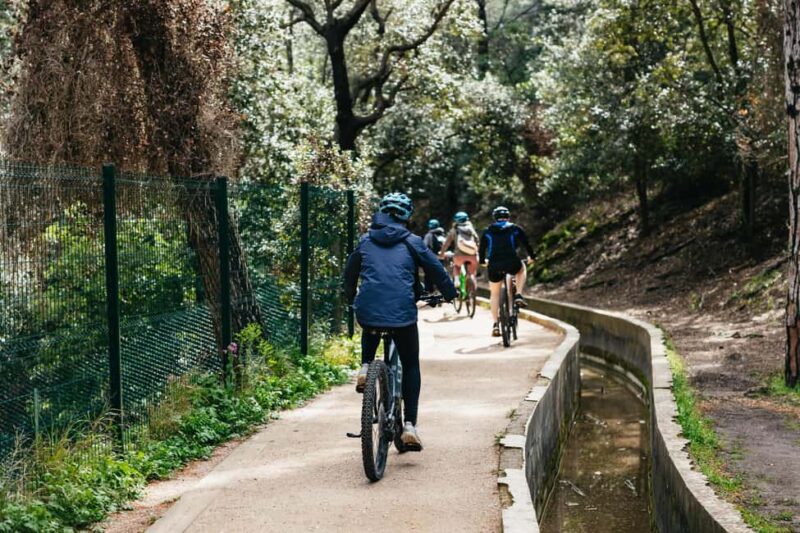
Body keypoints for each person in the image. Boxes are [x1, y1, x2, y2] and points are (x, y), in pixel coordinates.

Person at [344, 193, 457, 449]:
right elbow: (436, 270)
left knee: (370, 318)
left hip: (369, 310)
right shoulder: (413, 242)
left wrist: (352, 299)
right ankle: (409, 426)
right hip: (402, 315)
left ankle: (365, 367)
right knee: (410, 364)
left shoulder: (365, 241)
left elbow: (349, 275)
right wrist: (450, 293)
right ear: (407, 216)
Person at [479, 206, 534, 337]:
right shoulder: (516, 228)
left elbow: (481, 250)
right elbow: (526, 244)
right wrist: (531, 257)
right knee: (521, 269)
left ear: (495, 218)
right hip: (512, 262)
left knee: (494, 294)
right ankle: (519, 294)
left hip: (494, 265)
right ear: (508, 216)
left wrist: (482, 261)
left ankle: (495, 325)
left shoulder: (487, 231)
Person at [439, 211, 480, 296]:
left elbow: (446, 244)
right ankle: (471, 282)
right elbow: (477, 240)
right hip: (473, 255)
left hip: (459, 256)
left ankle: (457, 279)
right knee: (472, 272)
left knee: (456, 266)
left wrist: (442, 253)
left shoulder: (454, 230)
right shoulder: (471, 228)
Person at [423, 219, 447, 293]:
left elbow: (424, 246)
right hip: (442, 258)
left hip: (432, 258)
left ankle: (428, 292)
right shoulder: (443, 235)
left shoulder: (429, 235)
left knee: (428, 275)